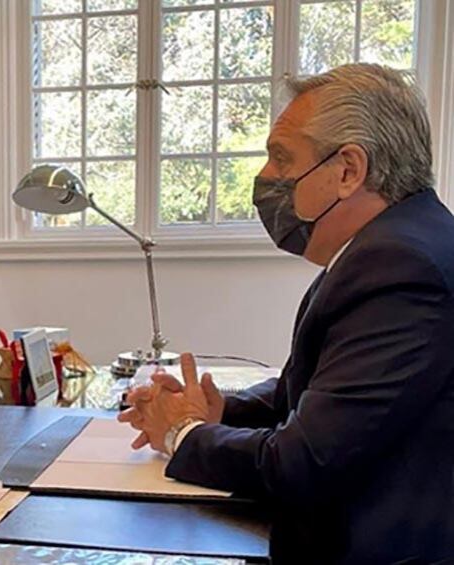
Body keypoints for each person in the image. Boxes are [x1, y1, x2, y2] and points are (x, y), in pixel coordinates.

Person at [120, 63, 454, 563]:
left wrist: (182, 434)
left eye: (281, 157)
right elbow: (314, 387)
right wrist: (219, 411)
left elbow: (303, 462)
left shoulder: (400, 265)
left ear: (348, 170)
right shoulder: (396, 244)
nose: (266, 177)